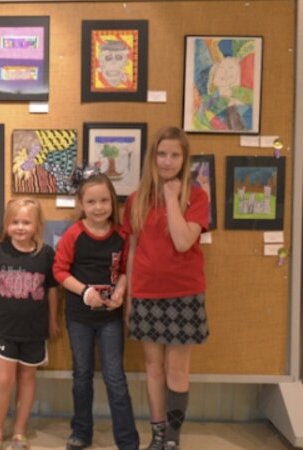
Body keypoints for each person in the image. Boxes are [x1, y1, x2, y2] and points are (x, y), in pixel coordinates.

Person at [123, 127, 209, 450]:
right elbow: (132, 249)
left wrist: (172, 197)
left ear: (184, 159)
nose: (168, 161)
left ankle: (173, 437)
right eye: (162, 154)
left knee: (177, 368)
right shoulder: (136, 199)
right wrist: (130, 297)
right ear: (152, 157)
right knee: (152, 366)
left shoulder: (196, 196)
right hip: (146, 294)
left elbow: (184, 240)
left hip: (184, 294)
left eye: (175, 155)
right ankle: (158, 433)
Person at [53, 174, 139, 450]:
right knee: (82, 375)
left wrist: (121, 292)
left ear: (113, 202)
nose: (99, 207)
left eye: (104, 200)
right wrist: (84, 291)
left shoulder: (121, 236)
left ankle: (127, 440)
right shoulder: (74, 234)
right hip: (79, 318)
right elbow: (59, 270)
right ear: (81, 203)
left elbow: (126, 270)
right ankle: (81, 432)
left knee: (115, 377)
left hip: (111, 318)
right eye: (91, 201)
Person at [0, 198, 59, 450]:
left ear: (37, 225)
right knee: (3, 381)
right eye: (15, 222)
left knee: (27, 379)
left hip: (35, 330)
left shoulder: (46, 254)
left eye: (26, 222)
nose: (20, 227)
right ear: (7, 224)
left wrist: (53, 320)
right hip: (4, 329)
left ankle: (19, 432)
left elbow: (53, 290)